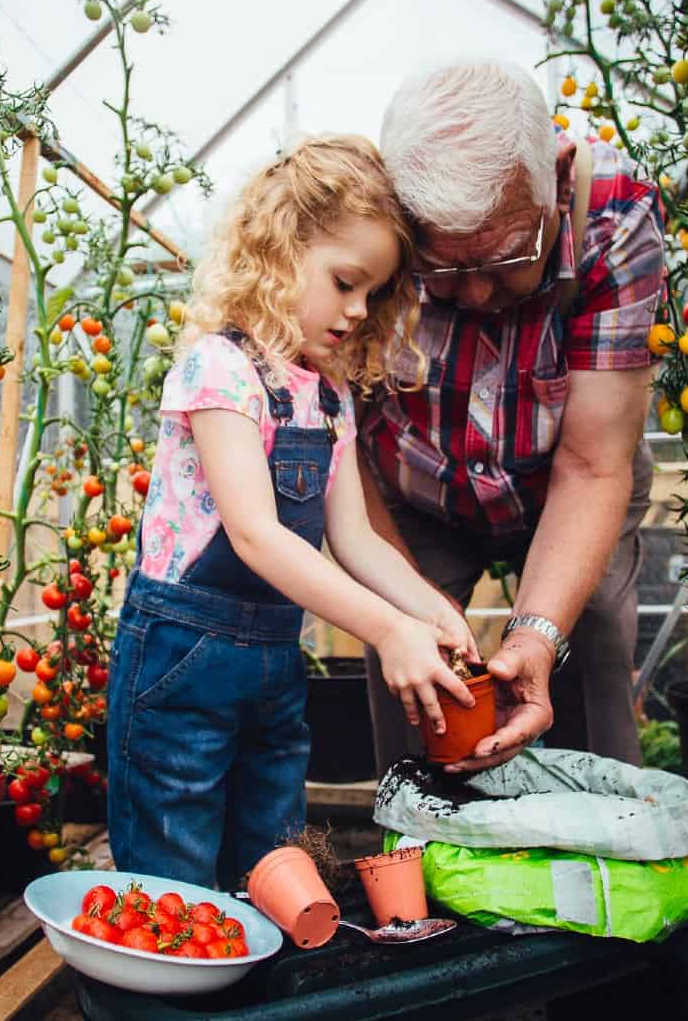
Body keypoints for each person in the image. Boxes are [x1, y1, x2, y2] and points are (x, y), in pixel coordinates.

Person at [108, 135, 480, 887]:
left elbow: (355, 539)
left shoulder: (328, 394)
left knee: (274, 865)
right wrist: (385, 628)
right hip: (183, 662)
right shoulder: (221, 368)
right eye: (345, 281)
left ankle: (258, 992)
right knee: (172, 874)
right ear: (281, 250)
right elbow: (254, 535)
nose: (357, 310)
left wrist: (432, 611)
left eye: (372, 294)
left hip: (273, 666)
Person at [358, 59, 666, 775]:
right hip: (416, 490)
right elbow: (341, 447)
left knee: (591, 643)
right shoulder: (364, 218)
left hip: (565, 477)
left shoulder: (617, 216)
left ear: (556, 178)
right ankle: (418, 854)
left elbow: (594, 465)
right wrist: (409, 609)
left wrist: (534, 634)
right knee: (413, 673)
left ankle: (595, 849)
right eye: (440, 268)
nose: (473, 293)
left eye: (503, 259)